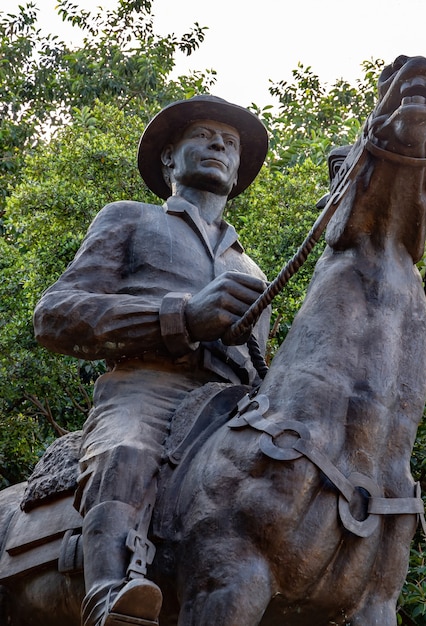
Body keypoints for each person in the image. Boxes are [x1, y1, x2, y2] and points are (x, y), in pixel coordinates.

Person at [33, 95, 271, 626]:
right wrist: (181, 316)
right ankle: (110, 598)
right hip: (148, 385)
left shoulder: (252, 268)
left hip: (233, 408)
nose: (218, 145)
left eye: (229, 143)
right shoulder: (129, 220)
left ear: (236, 170)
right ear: (169, 160)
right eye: (203, 136)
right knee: (126, 449)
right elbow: (55, 315)